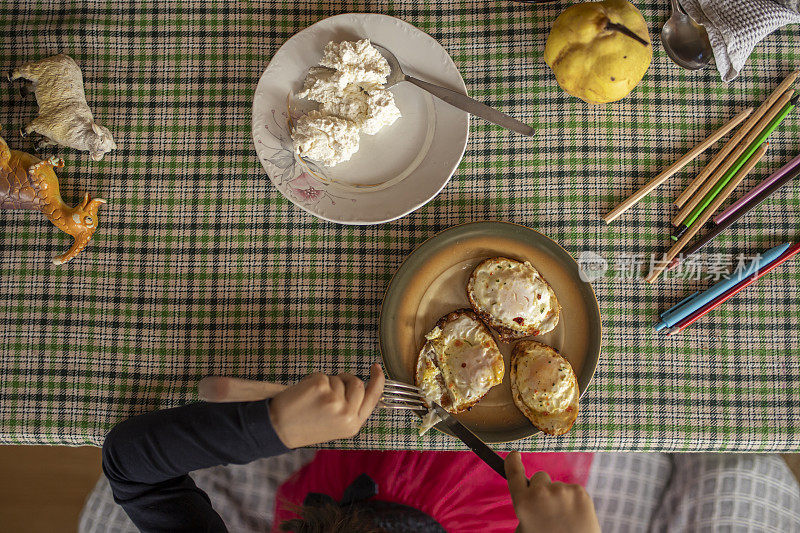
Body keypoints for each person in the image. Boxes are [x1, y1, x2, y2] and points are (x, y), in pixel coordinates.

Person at [87, 365, 800, 532]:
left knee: (217, 389)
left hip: (343, 479)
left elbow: (133, 471)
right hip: (504, 506)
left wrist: (268, 422)